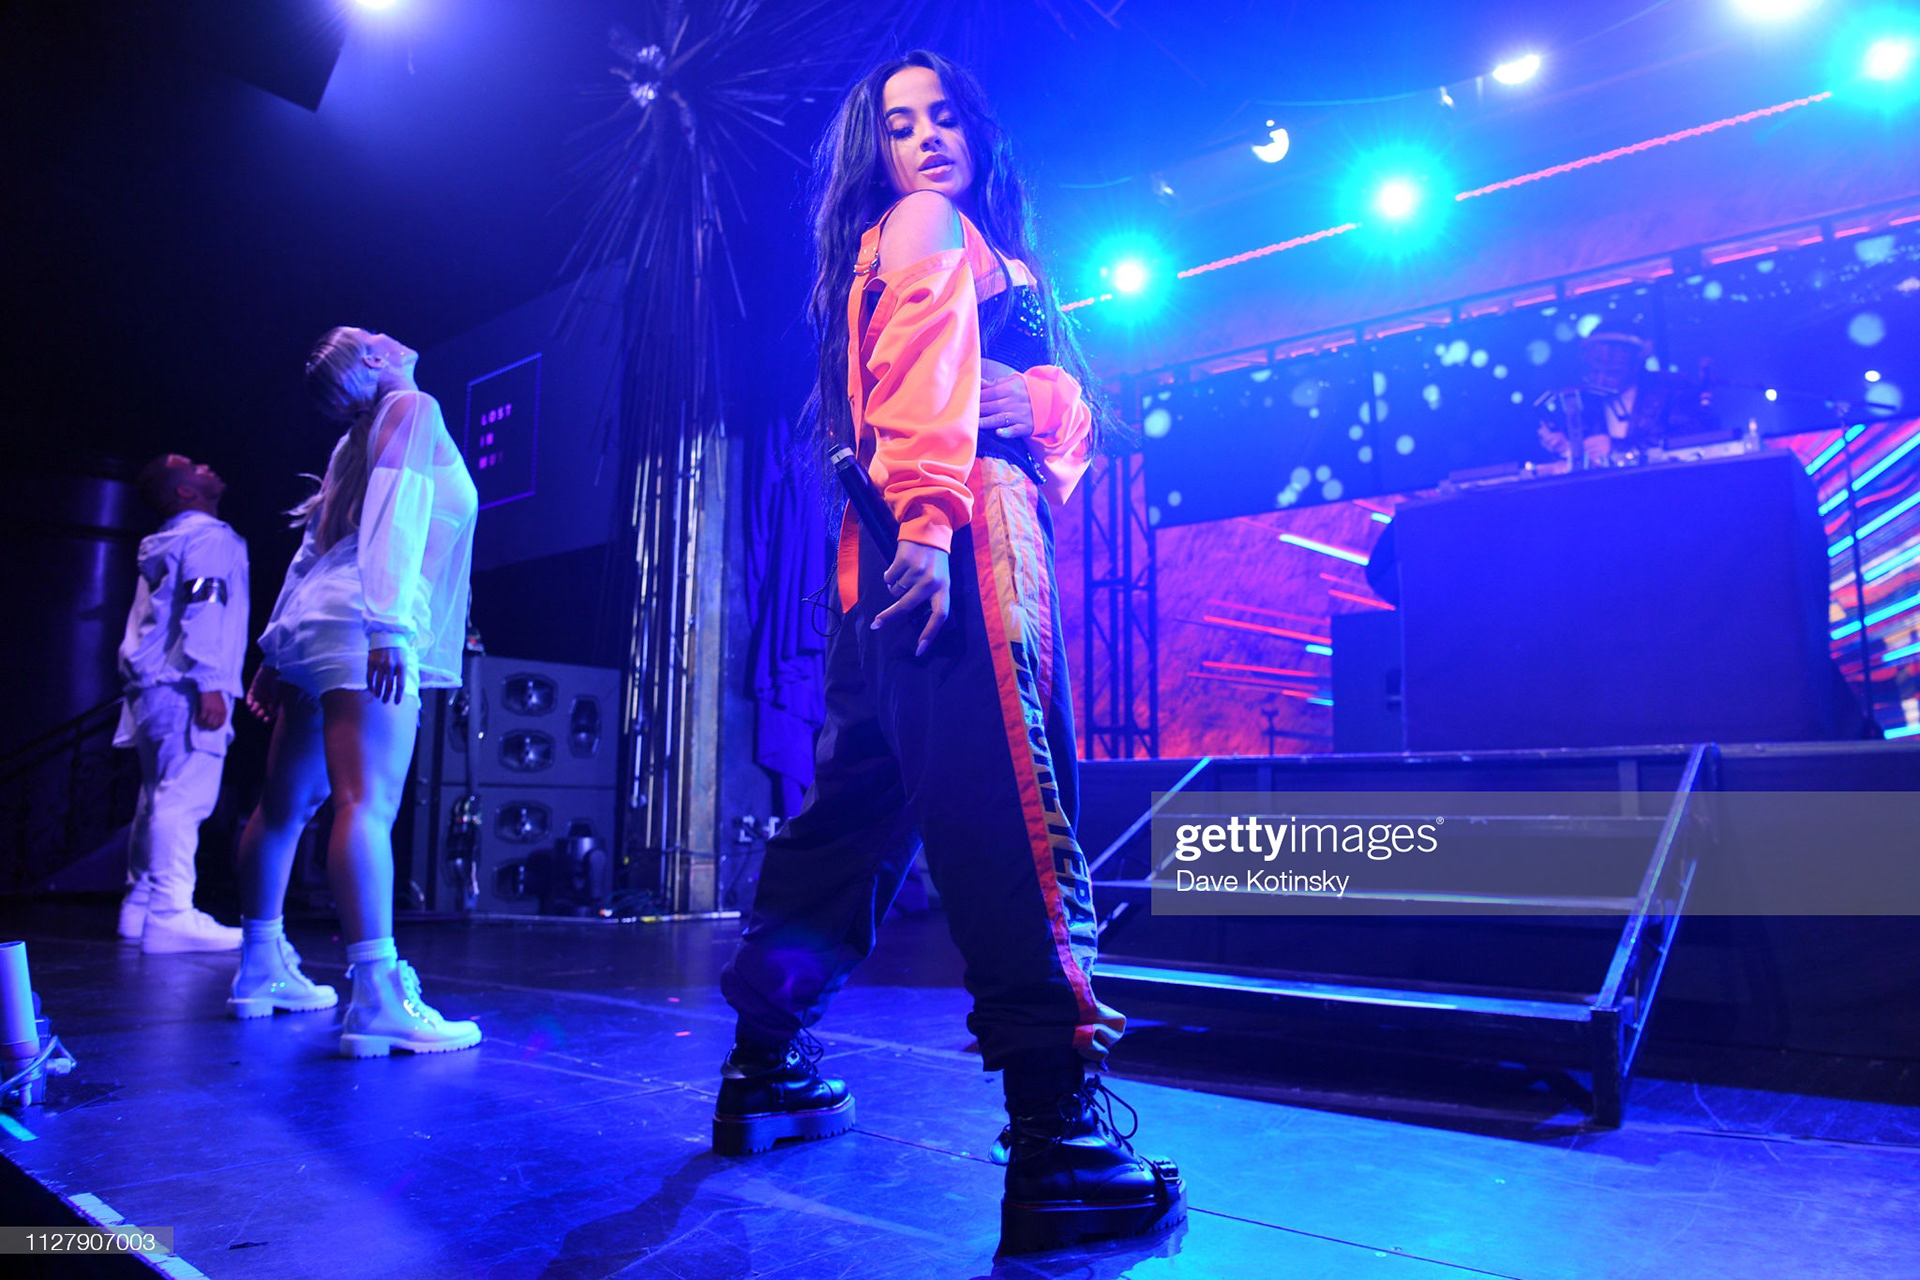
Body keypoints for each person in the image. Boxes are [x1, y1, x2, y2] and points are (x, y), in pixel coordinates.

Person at [715, 51, 1183, 1255]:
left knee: (850, 824)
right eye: (898, 124)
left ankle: (765, 1064)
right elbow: (930, 379)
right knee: (1009, 813)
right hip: (959, 537)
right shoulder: (930, 227)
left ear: (977, 127)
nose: (924, 138)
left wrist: (1045, 404)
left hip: (885, 559)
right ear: (875, 153)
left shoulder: (922, 243)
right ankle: (1062, 1138)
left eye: (941, 116)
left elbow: (1044, 409)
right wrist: (931, 522)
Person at [229, 327, 481, 1057]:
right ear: (373, 359)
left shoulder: (354, 441)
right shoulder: (413, 407)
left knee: (283, 806)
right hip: (363, 617)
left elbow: (311, 552)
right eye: (373, 335)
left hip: (319, 621)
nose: (387, 334)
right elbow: (396, 513)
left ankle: (260, 967)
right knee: (365, 804)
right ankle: (376, 998)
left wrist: (276, 647)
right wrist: (390, 626)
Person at [115, 454, 249, 953]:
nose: (205, 466)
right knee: (183, 797)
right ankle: (171, 913)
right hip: (185, 684)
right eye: (192, 468)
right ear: (184, 493)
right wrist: (210, 680)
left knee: (156, 797)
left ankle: (141, 904)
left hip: (153, 687)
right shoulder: (208, 539)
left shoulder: (165, 542)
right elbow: (204, 605)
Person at [1537, 329, 1716, 465]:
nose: (1600, 380)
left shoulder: (1672, 388)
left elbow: (1693, 437)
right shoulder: (1585, 399)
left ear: (1637, 365)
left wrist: (1618, 447)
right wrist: (1565, 448)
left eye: (1612, 373)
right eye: (1595, 372)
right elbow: (1582, 456)